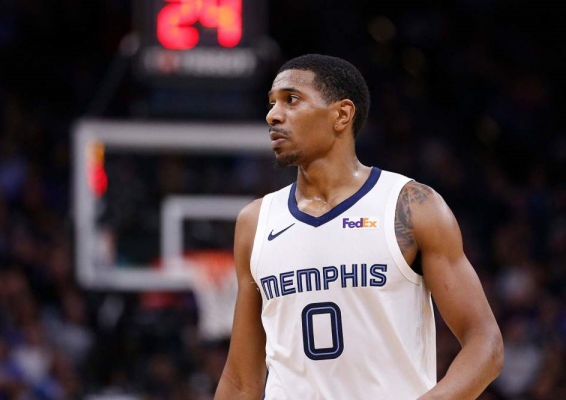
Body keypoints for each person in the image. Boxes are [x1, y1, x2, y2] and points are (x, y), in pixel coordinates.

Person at [214, 54, 503, 399]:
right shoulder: (255, 221)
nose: (273, 115)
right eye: (272, 103)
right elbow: (241, 381)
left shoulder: (410, 206)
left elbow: (485, 343)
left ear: (342, 114)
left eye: (291, 99)